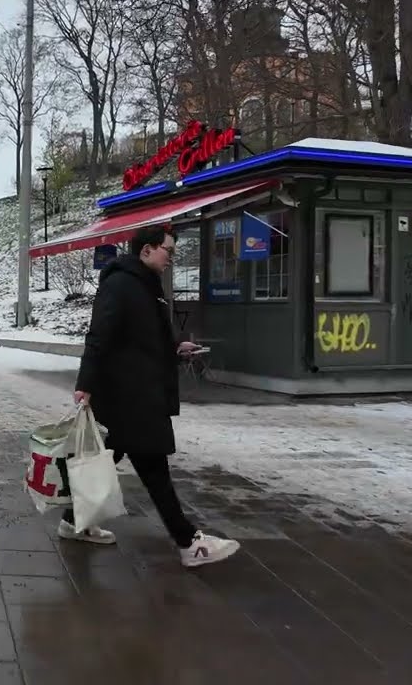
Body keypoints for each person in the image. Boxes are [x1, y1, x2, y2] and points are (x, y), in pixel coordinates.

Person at [71, 225, 239, 568]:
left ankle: (73, 519)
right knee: (154, 468)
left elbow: (143, 335)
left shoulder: (146, 285)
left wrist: (176, 347)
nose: (171, 259)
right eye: (168, 251)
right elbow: (99, 334)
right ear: (146, 250)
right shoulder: (121, 284)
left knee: (110, 457)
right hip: (131, 395)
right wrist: (84, 384)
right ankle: (189, 543)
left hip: (138, 391)